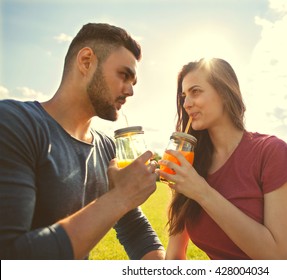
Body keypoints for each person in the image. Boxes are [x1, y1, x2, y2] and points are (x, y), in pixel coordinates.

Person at [158, 58, 287, 260]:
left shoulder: (271, 151)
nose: (186, 103)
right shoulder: (190, 165)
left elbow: (278, 258)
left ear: (224, 92)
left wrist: (202, 192)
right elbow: (175, 256)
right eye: (183, 95)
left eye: (195, 92)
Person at [0, 23, 165, 260]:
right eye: (124, 75)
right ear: (86, 61)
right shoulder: (15, 123)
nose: (130, 91)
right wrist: (120, 197)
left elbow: (135, 229)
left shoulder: (108, 148)